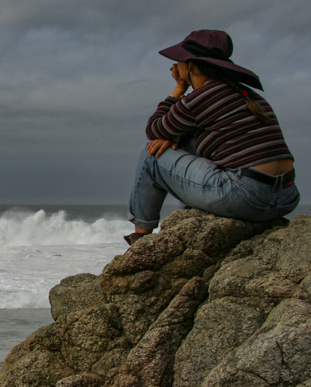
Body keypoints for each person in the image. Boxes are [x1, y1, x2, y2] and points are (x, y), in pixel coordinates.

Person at [125, 29, 299, 244]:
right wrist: (174, 138)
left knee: (150, 154)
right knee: (183, 142)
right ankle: (189, 210)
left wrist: (178, 88)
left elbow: (154, 129)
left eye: (178, 62)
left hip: (247, 198)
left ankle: (140, 239)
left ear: (191, 66)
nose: (173, 67)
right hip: (286, 197)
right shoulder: (245, 93)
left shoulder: (201, 98)